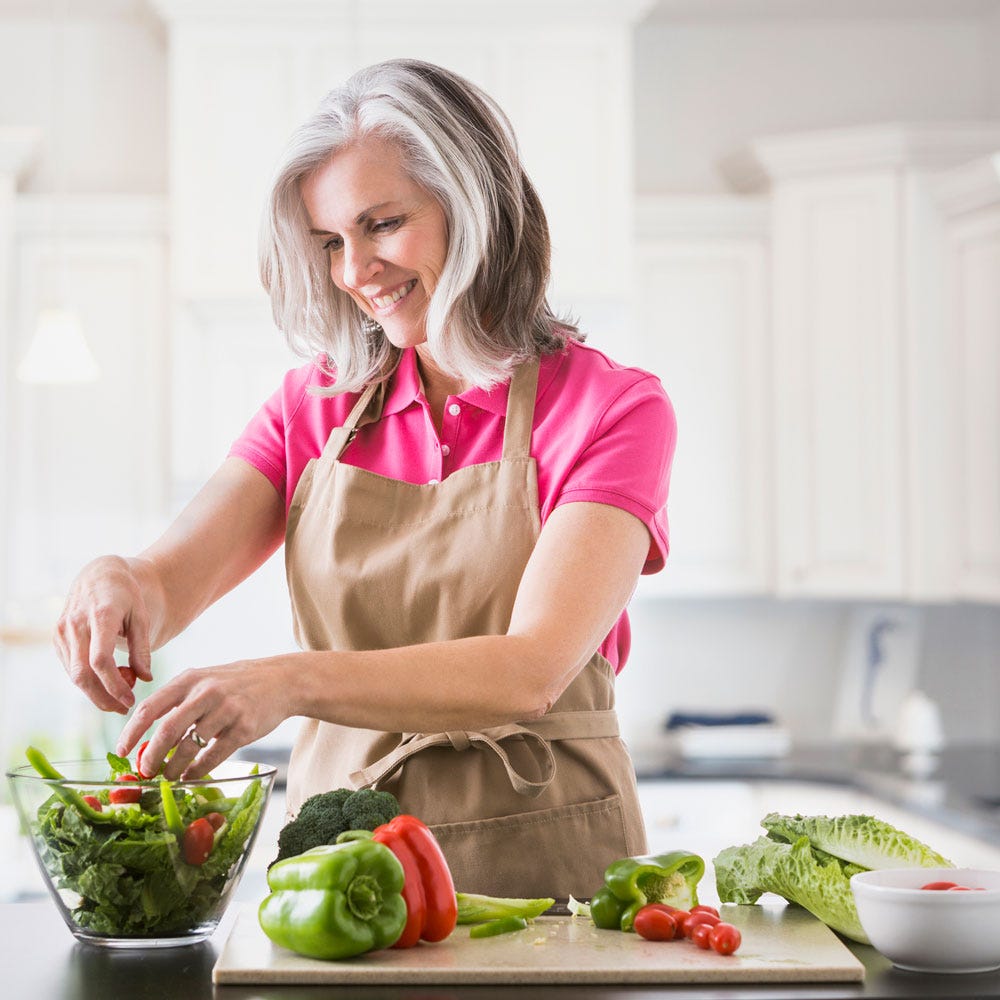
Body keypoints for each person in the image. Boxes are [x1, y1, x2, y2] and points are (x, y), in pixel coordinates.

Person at [54, 58, 676, 898]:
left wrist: (291, 681)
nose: (353, 272)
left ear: (475, 206)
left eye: (381, 224)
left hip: (551, 855)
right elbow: (167, 586)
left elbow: (530, 671)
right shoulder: (314, 405)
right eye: (329, 243)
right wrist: (115, 580)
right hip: (344, 863)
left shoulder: (613, 408)